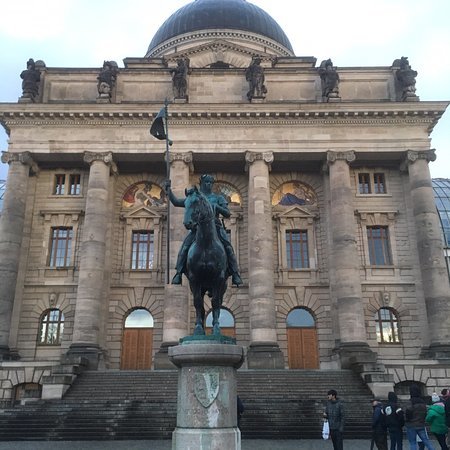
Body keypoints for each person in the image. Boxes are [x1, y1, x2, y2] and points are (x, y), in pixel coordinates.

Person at [165, 174, 243, 286]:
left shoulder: (218, 198)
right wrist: (168, 190)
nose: (209, 185)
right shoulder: (194, 198)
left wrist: (217, 207)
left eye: (211, 183)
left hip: (216, 228)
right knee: (185, 247)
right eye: (206, 182)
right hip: (197, 229)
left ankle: (235, 273)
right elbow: (177, 202)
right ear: (201, 184)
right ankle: (178, 273)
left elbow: (227, 213)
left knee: (228, 247)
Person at [405, 385, 436, 449]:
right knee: (426, 441)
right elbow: (425, 413)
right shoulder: (423, 403)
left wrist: (407, 420)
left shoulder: (410, 402)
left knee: (413, 443)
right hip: (421, 424)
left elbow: (407, 413)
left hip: (411, 425)